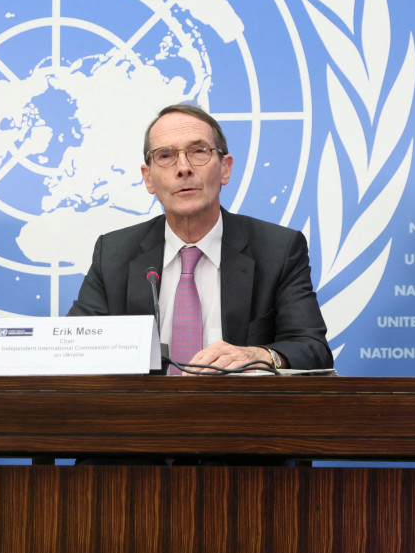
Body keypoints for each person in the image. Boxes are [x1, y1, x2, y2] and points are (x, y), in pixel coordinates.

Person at [68, 103, 333, 372]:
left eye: (198, 151)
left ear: (225, 169)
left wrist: (260, 354)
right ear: (148, 178)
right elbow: (75, 350)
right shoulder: (113, 254)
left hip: (240, 412)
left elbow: (312, 348)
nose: (183, 168)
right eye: (165, 156)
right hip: (143, 413)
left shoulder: (278, 250)